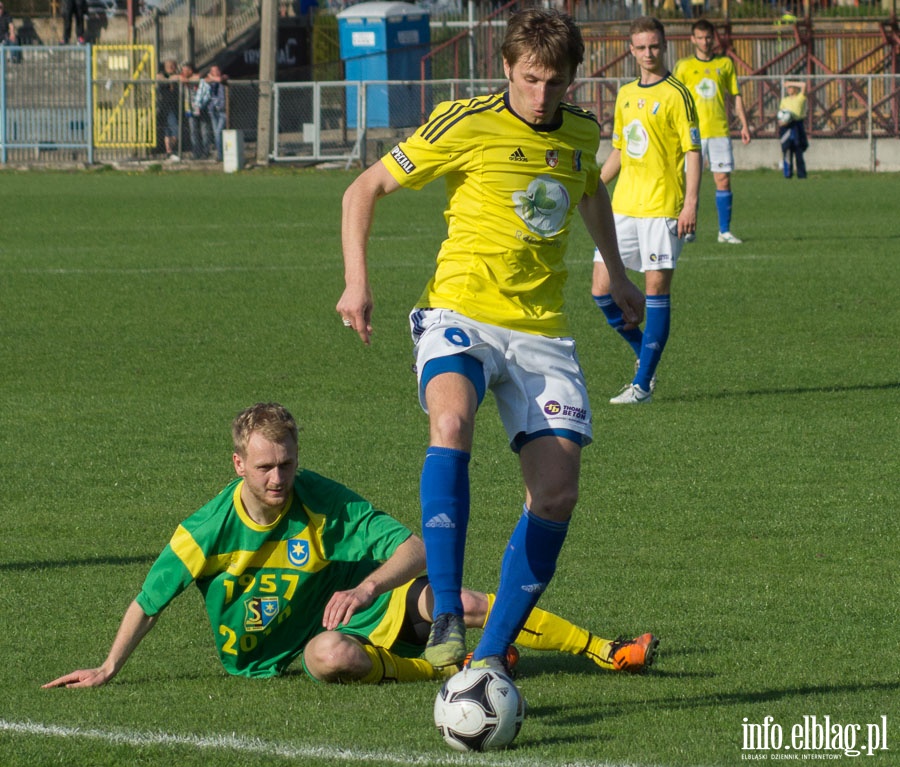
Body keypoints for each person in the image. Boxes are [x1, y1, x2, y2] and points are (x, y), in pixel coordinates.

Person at [337, 8, 647, 676]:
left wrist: (617, 274)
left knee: (556, 495)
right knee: (450, 420)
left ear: (572, 79)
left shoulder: (582, 131)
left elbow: (590, 189)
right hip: (460, 314)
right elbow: (365, 187)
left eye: (555, 83)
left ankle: (487, 657)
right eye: (530, 79)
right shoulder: (465, 121)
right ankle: (445, 608)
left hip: (541, 335)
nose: (541, 97)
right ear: (506, 68)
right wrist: (356, 284)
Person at [42, 403, 657, 689]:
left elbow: (419, 547)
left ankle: (605, 649)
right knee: (332, 657)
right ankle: (443, 669)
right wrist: (108, 667)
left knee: (460, 598)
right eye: (264, 468)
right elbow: (149, 601)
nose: (278, 478)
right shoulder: (204, 531)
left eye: (286, 463)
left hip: (356, 606)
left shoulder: (318, 498)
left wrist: (366, 586)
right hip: (277, 657)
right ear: (238, 466)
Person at [592, 16, 701, 405]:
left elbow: (692, 151)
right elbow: (620, 150)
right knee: (601, 290)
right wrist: (591, 186)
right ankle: (646, 359)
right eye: (641, 47)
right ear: (631, 50)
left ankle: (642, 385)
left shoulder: (678, 94)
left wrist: (690, 204)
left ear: (664, 46)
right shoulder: (624, 94)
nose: (649, 53)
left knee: (656, 290)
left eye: (654, 46)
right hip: (623, 206)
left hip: (663, 208)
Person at [673, 18, 750, 245]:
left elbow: (735, 95)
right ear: (692, 39)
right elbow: (675, 98)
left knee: (723, 179)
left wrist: (744, 124)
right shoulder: (684, 66)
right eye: (700, 37)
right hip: (692, 133)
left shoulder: (725, 64)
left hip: (719, 130)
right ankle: (688, 229)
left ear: (713, 38)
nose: (705, 42)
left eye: (708, 37)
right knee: (689, 183)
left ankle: (724, 232)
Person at [195, 65, 228, 162]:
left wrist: (213, 77)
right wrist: (211, 78)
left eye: (217, 70)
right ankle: (220, 154)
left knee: (218, 132)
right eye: (213, 71)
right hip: (212, 110)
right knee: (216, 133)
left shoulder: (223, 77)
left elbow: (220, 79)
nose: (216, 72)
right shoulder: (209, 80)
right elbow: (204, 80)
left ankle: (221, 155)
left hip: (222, 110)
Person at [778, 80, 808, 179]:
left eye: (791, 88)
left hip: (797, 125)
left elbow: (804, 85)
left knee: (798, 150)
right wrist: (782, 122)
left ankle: (801, 175)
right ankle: (787, 174)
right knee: (787, 150)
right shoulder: (784, 100)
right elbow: (781, 114)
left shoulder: (800, 98)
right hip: (786, 127)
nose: (789, 89)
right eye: (788, 88)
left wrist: (790, 83)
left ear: (795, 88)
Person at [157, 59, 180, 161]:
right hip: (165, 106)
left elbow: (178, 77)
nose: (171, 68)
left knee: (174, 130)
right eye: (169, 66)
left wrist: (174, 77)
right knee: (169, 130)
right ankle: (169, 151)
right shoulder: (162, 75)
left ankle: (171, 150)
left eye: (173, 66)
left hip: (175, 105)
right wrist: (170, 78)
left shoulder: (177, 75)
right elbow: (160, 78)